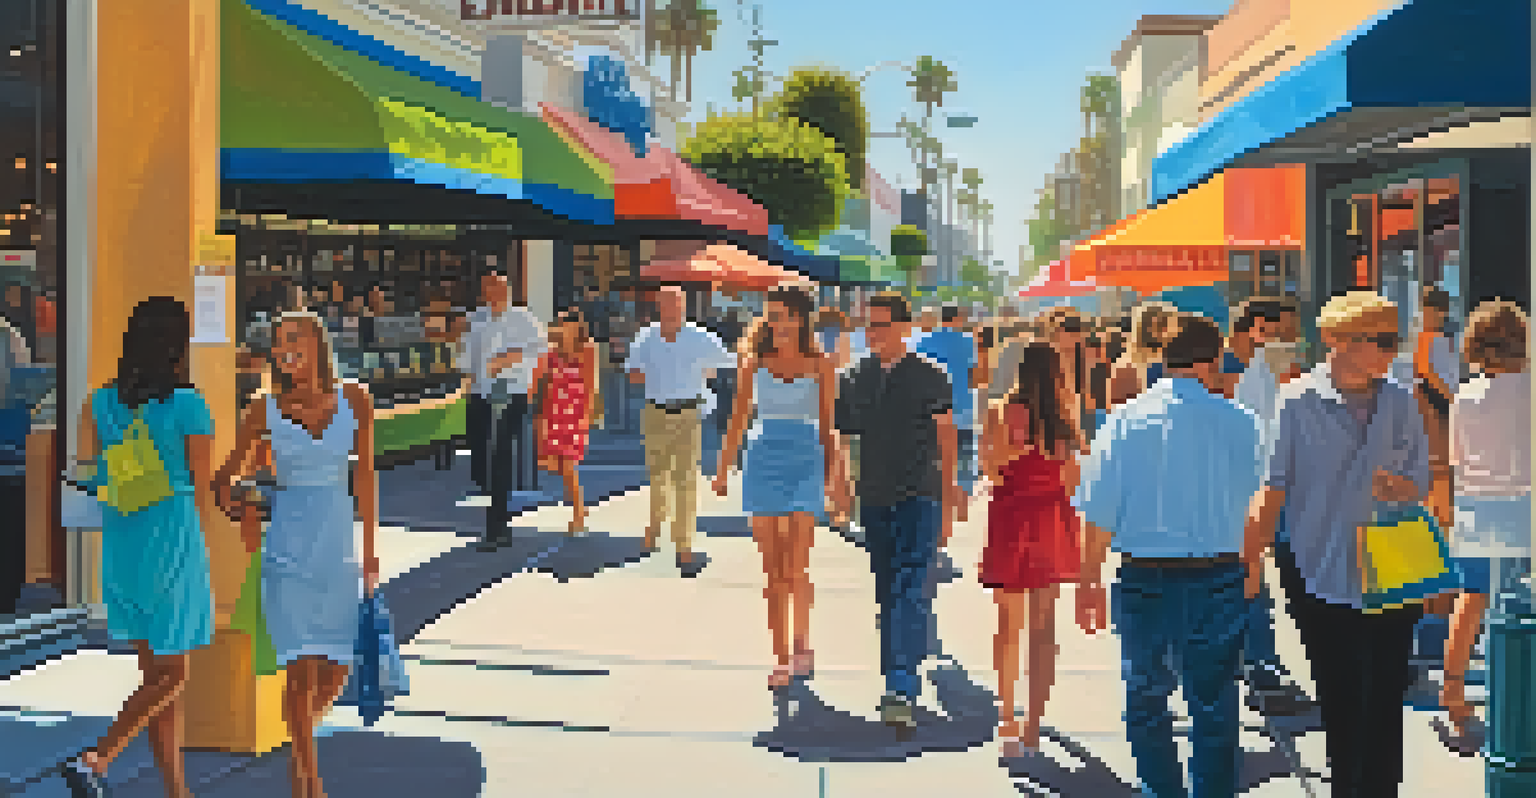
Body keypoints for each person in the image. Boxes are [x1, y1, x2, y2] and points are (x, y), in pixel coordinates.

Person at [1242, 290, 1430, 798]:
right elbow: (1274, 484)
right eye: (1384, 342)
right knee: (1341, 693)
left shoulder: (1400, 401)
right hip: (1317, 565)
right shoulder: (1298, 401)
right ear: (1340, 342)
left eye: (1395, 342)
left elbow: (1422, 480)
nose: (1392, 353)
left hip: (1392, 564)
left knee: (1389, 689)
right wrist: (1253, 560)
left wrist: (1403, 488)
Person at [1076, 315, 1262, 798]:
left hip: (1143, 577)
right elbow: (1256, 506)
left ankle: (1161, 792)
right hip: (1219, 574)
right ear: (1213, 361)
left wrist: (1087, 582)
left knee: (1146, 698)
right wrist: (1254, 565)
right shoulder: (1241, 422)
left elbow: (1098, 512)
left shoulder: (1124, 420)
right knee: (1215, 704)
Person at [214, 311, 379, 798]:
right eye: (279, 342)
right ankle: (308, 781)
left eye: (294, 340)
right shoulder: (262, 410)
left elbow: (366, 478)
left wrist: (370, 551)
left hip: (337, 550)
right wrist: (242, 508)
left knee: (338, 668)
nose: (285, 350)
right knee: (299, 671)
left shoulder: (355, 399)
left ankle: (298, 748)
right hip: (285, 550)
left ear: (317, 343)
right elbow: (223, 482)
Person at [61, 298, 217, 798]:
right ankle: (98, 758)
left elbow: (85, 470)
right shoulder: (190, 404)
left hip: (123, 538)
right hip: (172, 537)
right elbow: (202, 480)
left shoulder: (100, 401)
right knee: (173, 675)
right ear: (177, 345)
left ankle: (176, 790)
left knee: (156, 679)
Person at [833, 291, 957, 734]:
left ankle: (899, 686)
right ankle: (905, 664)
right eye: (870, 324)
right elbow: (844, 437)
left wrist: (949, 496)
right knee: (889, 593)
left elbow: (947, 439)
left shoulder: (931, 376)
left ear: (904, 328)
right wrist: (840, 484)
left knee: (908, 587)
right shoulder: (854, 377)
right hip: (875, 498)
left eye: (882, 325)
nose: (874, 333)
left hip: (920, 495)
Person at [713, 285, 839, 690]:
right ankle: (781, 656)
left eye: (783, 315)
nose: (776, 323)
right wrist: (722, 469)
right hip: (762, 459)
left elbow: (827, 427)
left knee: (795, 564)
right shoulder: (753, 364)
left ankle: (803, 645)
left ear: (802, 318)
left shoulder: (822, 365)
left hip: (805, 461)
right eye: (771, 315)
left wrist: (835, 477)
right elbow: (737, 421)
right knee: (771, 570)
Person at [1434, 300, 1531, 754]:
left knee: (1471, 602)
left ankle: (1454, 695)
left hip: (1475, 505)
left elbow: (1454, 461)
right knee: (1522, 605)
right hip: (1523, 507)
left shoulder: (1466, 396)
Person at [981, 341, 1084, 758]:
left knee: (1009, 623)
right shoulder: (1064, 415)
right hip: (1049, 517)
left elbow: (990, 467)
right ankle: (1032, 725)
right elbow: (1074, 479)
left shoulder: (999, 411)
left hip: (1010, 515)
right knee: (1043, 626)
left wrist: (1016, 446)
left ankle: (1007, 715)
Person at [626, 284, 735, 577]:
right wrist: (652, 371)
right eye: (666, 303)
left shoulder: (700, 337)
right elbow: (633, 374)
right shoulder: (646, 336)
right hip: (655, 412)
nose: (672, 308)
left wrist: (705, 372)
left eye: (677, 303)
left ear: (684, 307)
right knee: (657, 475)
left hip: (687, 412)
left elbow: (729, 361)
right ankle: (655, 525)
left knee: (685, 479)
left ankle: (683, 543)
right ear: (658, 305)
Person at [457, 270, 548, 548]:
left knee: (500, 457)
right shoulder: (477, 319)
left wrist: (512, 358)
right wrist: (465, 382)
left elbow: (542, 350)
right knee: (478, 458)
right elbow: (468, 357)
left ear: (507, 290)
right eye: (488, 288)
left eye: (498, 288)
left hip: (512, 394)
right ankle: (496, 505)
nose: (493, 293)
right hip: (480, 393)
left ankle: (498, 527)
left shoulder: (523, 318)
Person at [913, 304, 981, 527]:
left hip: (931, 408)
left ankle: (937, 505)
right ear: (959, 318)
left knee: (934, 458)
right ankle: (960, 504)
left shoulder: (924, 341)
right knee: (962, 455)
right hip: (961, 406)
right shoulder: (968, 341)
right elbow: (974, 375)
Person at [535, 308, 600, 536]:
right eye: (559, 323)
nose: (562, 326)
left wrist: (587, 416)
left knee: (569, 466)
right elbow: (539, 383)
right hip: (553, 412)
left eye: (565, 322)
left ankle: (578, 515)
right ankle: (580, 508)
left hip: (575, 414)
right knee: (556, 465)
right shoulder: (551, 352)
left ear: (575, 326)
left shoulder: (588, 349)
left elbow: (591, 385)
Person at [1108, 302, 1177, 408]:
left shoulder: (1169, 359)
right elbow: (1115, 407)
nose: (1171, 331)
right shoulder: (1127, 366)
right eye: (1163, 325)